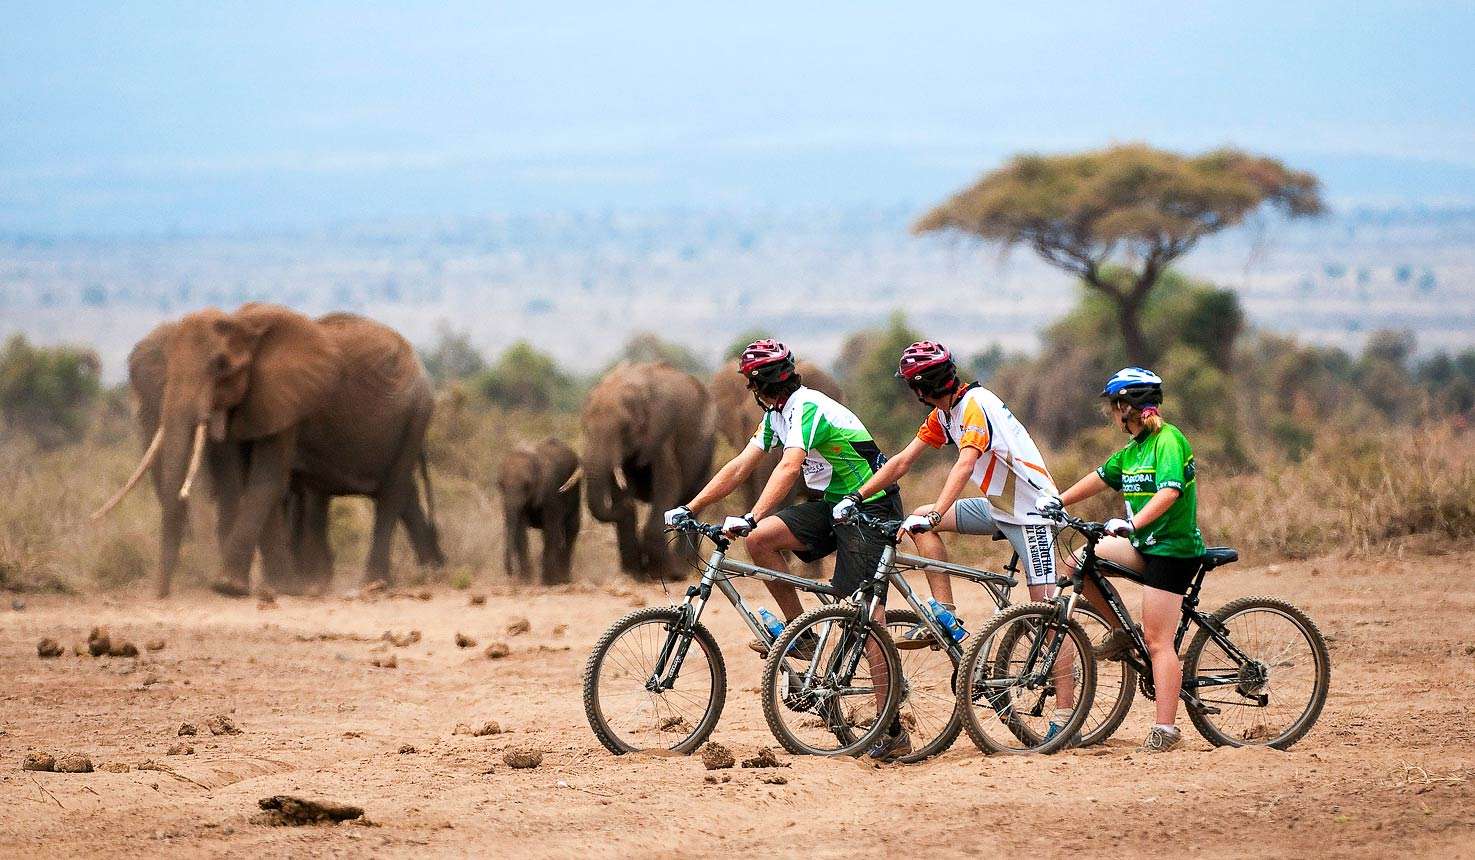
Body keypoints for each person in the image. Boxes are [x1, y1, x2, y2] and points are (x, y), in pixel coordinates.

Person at [663, 338, 909, 759]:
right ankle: (805, 636)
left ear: (757, 386)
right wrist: (691, 506)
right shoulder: (778, 415)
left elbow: (790, 466)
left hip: (870, 506)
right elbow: (741, 465)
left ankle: (893, 730)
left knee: (867, 616)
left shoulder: (807, 407)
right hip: (833, 506)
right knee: (760, 541)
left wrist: (752, 514)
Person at [836, 341, 1077, 738]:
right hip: (1000, 508)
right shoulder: (944, 413)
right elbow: (901, 461)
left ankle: (1065, 717)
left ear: (920, 387)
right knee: (919, 521)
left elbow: (965, 463)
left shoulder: (975, 405)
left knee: (1048, 615)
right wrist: (857, 496)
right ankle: (945, 612)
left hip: (1033, 514)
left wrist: (938, 509)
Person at [1038, 367, 1206, 753]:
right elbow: (1099, 477)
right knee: (1079, 560)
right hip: (1146, 544)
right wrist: (1058, 501)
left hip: (1172, 550)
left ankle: (1166, 730)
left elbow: (1169, 493)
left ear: (1125, 407)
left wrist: (1132, 523)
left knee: (1159, 641)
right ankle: (1121, 634)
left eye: (1113, 408)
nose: (1112, 416)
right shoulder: (1133, 451)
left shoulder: (1168, 440)